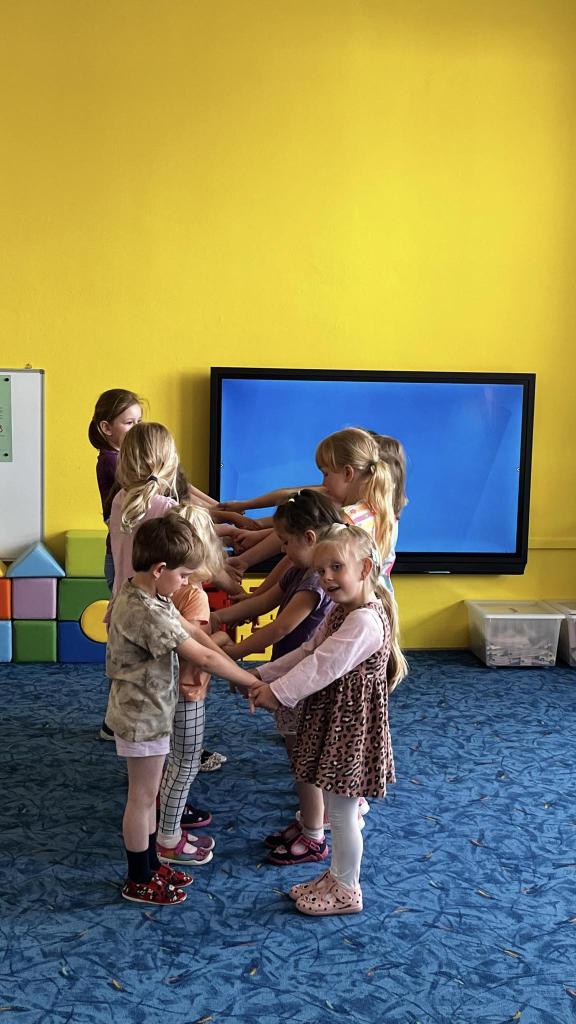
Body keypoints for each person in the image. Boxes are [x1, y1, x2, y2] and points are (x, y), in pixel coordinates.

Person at [250, 524, 407, 916]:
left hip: (351, 730)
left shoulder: (364, 622)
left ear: (365, 568)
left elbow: (323, 666)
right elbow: (309, 651)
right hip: (335, 722)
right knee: (338, 810)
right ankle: (337, 876)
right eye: (321, 570)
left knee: (342, 813)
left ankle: (347, 888)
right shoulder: (342, 611)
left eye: (337, 567)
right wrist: (264, 675)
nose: (327, 577)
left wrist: (276, 693)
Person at [106, 514, 257, 906]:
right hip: (141, 718)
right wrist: (251, 682)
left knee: (148, 796)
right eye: (184, 575)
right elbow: (202, 657)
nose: (187, 582)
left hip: (151, 712)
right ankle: (139, 878)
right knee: (142, 798)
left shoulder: (149, 595)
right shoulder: (146, 611)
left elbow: (193, 632)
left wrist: (238, 669)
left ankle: (152, 864)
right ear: (160, 569)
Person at [156, 503, 228, 863]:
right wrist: (225, 645)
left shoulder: (157, 586)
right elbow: (197, 651)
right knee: (185, 762)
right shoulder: (195, 595)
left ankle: (164, 818)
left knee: (167, 757)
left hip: (158, 689)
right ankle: (169, 836)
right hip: (187, 689)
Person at [88, 388, 143, 740]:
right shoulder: (112, 460)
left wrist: (221, 508)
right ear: (107, 428)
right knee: (125, 644)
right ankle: (116, 721)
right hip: (123, 558)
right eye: (129, 423)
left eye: (139, 422)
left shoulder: (122, 457)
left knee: (128, 643)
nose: (136, 429)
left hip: (126, 555)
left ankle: (116, 719)